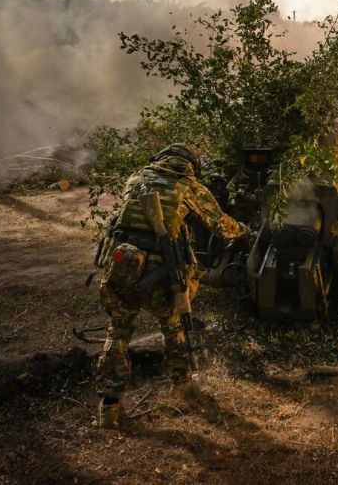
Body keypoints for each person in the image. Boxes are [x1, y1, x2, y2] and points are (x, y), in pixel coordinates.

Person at [94, 143, 248, 429]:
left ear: (160, 159)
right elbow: (221, 226)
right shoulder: (188, 186)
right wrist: (245, 230)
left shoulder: (136, 178)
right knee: (174, 325)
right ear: (190, 166)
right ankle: (183, 385)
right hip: (160, 271)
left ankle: (109, 405)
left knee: (118, 330)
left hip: (123, 267)